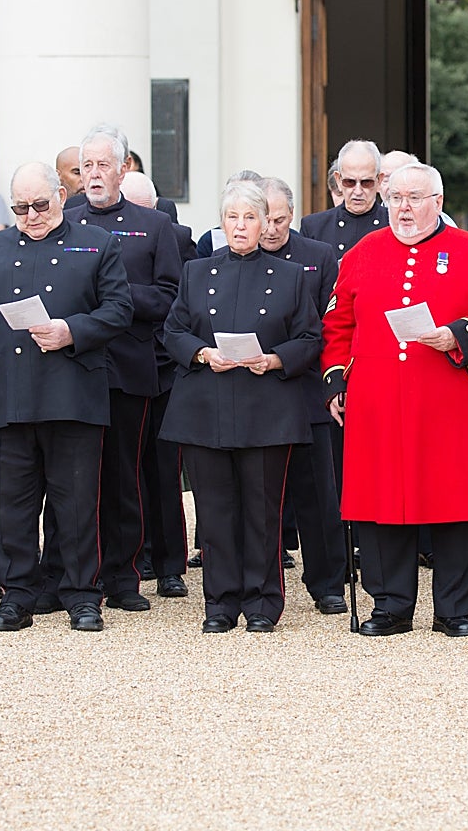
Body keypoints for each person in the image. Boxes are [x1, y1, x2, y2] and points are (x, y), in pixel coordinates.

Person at [322, 162, 468, 638]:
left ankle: (453, 608)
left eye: (414, 198)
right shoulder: (364, 252)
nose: (403, 208)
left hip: (454, 403)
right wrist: (336, 381)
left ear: (438, 203)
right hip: (379, 402)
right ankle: (390, 606)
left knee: (457, 501)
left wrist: (457, 335)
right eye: (396, 198)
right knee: (382, 502)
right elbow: (338, 322)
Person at [0, 162, 133, 633]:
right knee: (12, 505)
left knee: (76, 502)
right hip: (9, 394)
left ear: (61, 194)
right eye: (20, 208)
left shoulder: (99, 244)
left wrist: (71, 330)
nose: (32, 215)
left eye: (40, 205)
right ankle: (17, 595)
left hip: (72, 393)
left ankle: (81, 594)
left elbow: (120, 309)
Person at [161, 180, 321, 633]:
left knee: (262, 511)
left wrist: (273, 359)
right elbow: (172, 331)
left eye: (250, 218)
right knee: (214, 511)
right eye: (232, 217)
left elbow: (310, 338)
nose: (241, 226)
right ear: (222, 222)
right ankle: (220, 603)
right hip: (205, 406)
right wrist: (202, 353)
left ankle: (263, 603)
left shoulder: (290, 276)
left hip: (265, 407)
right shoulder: (197, 273)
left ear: (264, 223)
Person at [65, 125, 181, 608]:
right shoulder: (65, 219)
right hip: (74, 367)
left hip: (131, 367)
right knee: (72, 479)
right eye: (86, 165)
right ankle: (72, 576)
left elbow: (171, 297)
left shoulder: (153, 226)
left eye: (102, 164)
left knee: (125, 477)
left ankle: (124, 578)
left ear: (123, 168)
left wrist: (115, 300)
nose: (94, 173)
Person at [258, 176, 347, 614]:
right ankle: (259, 583)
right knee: (261, 497)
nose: (272, 229)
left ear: (292, 216)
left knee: (317, 495)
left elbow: (331, 322)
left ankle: (328, 583)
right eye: (265, 219)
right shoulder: (236, 259)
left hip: (307, 387)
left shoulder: (319, 255)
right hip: (255, 391)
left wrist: (334, 380)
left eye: (280, 219)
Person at [120, 170, 194, 593]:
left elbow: (176, 299)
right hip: (118, 363)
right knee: (123, 470)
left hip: (164, 365)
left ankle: (169, 563)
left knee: (164, 469)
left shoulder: (173, 235)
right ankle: (134, 556)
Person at [300, 139, 387, 260]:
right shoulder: (314, 227)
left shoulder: (394, 224)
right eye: (349, 182)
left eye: (366, 182)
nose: (358, 191)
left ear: (379, 181)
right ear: (338, 180)